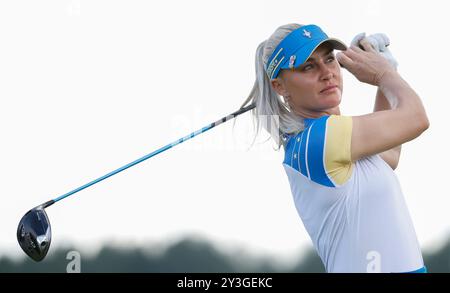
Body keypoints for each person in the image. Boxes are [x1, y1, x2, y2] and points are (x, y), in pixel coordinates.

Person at [240, 23, 430, 273]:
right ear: (280, 87)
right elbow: (416, 118)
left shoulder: (324, 138)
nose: (326, 72)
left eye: (329, 59)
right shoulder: (321, 138)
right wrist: (384, 76)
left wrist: (386, 78)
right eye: (308, 66)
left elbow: (389, 156)